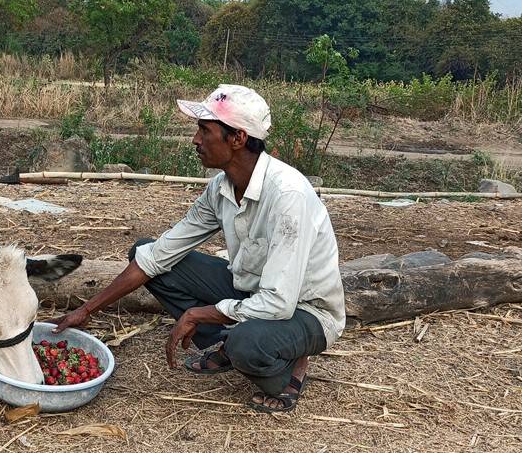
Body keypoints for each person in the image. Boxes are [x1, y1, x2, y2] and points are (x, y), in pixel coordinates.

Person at [53, 84, 345, 412]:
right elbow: (159, 255)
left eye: (205, 130)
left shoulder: (288, 196)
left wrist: (199, 313)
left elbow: (279, 302)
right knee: (146, 252)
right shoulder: (221, 188)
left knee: (246, 343)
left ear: (237, 138)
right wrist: (87, 310)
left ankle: (290, 367)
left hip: (304, 310)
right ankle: (226, 341)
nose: (195, 140)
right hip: (252, 291)